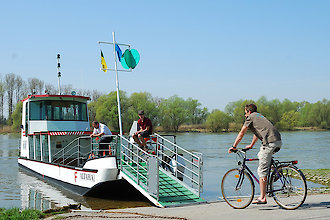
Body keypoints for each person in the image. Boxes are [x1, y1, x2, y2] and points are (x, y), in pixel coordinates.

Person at [228, 104, 282, 205]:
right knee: (261, 156)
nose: (245, 116)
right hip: (278, 141)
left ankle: (262, 197)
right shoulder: (259, 116)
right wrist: (251, 145)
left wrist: (234, 146)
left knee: (261, 171)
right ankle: (276, 170)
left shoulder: (250, 117)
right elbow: (258, 133)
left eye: (245, 113)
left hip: (269, 143)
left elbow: (241, 133)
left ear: (249, 112)